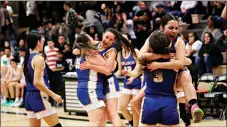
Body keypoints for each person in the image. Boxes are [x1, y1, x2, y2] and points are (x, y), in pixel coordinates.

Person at [135, 14, 204, 123]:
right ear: (162, 28)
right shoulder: (153, 37)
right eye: (171, 28)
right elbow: (140, 56)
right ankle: (141, 121)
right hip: (157, 77)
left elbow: (181, 63)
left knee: (185, 76)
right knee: (136, 101)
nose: (174, 31)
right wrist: (161, 56)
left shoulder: (178, 42)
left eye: (176, 28)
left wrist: (158, 64)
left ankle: (193, 105)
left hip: (174, 77)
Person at [140, 30, 179, 126]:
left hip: (150, 100)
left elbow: (140, 55)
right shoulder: (173, 61)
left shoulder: (145, 61)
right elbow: (187, 62)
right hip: (168, 101)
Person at [23, 32, 62, 127]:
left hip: (28, 96)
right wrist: (53, 95)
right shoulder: (39, 59)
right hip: (38, 96)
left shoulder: (26, 58)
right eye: (42, 41)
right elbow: (37, 82)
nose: (43, 43)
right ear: (37, 42)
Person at [73, 34, 108, 126]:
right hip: (90, 89)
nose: (93, 39)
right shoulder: (90, 53)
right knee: (96, 123)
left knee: (102, 121)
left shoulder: (80, 52)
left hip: (89, 88)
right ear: (88, 42)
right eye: (91, 38)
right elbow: (107, 66)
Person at [114, 34, 142, 126]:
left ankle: (135, 125)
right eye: (121, 41)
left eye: (125, 40)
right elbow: (119, 71)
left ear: (129, 41)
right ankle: (132, 123)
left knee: (134, 108)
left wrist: (132, 77)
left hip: (137, 81)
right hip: (127, 82)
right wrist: (111, 76)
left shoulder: (135, 51)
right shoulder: (119, 53)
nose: (123, 43)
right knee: (122, 107)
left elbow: (139, 69)